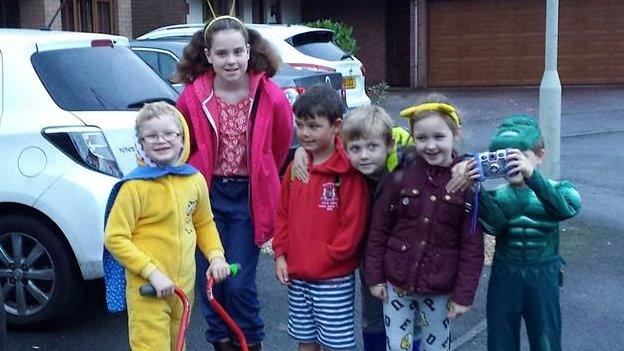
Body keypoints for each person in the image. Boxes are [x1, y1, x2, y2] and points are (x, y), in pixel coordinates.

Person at [174, 15, 293, 351]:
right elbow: (183, 144)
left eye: (237, 52)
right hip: (206, 197)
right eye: (222, 53)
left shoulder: (270, 95)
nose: (231, 61)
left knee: (239, 283)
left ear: (249, 51)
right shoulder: (191, 97)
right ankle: (222, 342)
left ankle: (250, 342)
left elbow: (281, 142)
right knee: (212, 281)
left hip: (247, 199)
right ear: (208, 55)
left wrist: (264, 173)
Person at [103, 102, 230, 351]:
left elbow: (204, 222)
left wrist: (216, 257)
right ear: (140, 142)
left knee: (178, 345)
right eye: (151, 135)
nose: (161, 140)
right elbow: (115, 237)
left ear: (182, 138)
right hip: (149, 288)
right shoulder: (134, 187)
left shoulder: (193, 179)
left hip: (184, 287)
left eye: (168, 133)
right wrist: (152, 272)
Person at [365, 98, 484, 351]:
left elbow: (472, 246)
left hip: (439, 288)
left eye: (439, 137)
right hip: (397, 284)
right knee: (397, 347)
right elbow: (379, 229)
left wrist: (464, 295)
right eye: (421, 138)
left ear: (455, 134)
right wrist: (374, 277)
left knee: (437, 346)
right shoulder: (401, 175)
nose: (430, 146)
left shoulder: (466, 183)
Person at [272, 84, 370, 351]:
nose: (304, 133)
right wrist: (280, 254)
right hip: (298, 275)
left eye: (314, 126)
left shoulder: (347, 172)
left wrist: (326, 258)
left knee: (336, 344)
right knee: (306, 340)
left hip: (333, 278)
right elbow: (283, 214)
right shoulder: (296, 165)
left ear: (336, 125)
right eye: (300, 125)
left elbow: (353, 226)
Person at [477, 115, 581, 351]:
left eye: (519, 156)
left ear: (540, 156)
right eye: (503, 157)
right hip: (506, 273)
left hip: (543, 272)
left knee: (546, 336)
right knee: (500, 337)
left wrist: (533, 176)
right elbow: (494, 225)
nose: (512, 164)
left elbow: (564, 209)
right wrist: (476, 190)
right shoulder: (497, 196)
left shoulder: (560, 189)